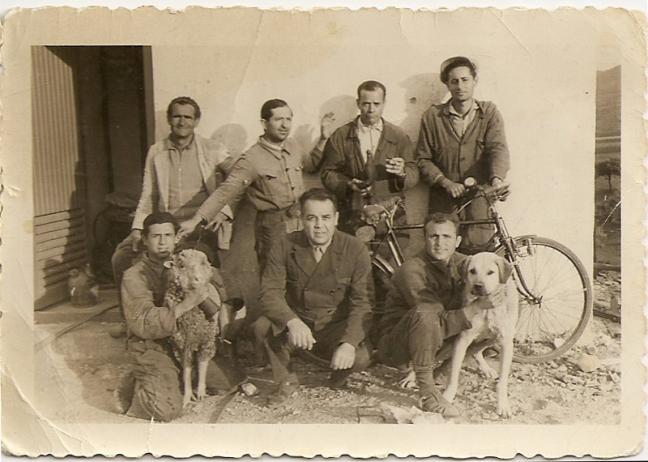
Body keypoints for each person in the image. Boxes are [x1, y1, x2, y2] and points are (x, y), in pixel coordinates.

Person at [118, 212, 246, 422]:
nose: (162, 242)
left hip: (186, 342)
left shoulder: (186, 261)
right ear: (144, 240)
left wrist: (223, 303)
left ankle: (173, 377)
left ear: (176, 237)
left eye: (168, 235)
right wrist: (187, 304)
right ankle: (135, 383)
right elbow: (142, 322)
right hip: (154, 344)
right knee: (166, 409)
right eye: (155, 236)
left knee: (227, 382)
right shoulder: (134, 276)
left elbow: (219, 281)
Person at [179, 99, 334, 271]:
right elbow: (225, 191)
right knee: (274, 275)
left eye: (288, 119)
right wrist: (196, 220)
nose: (285, 125)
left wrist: (323, 138)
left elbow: (311, 165)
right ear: (264, 123)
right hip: (272, 228)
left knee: (304, 272)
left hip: (300, 221)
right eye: (278, 120)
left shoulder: (293, 145)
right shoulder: (251, 159)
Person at [376, 212, 504, 417]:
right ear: (425, 239)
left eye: (446, 237)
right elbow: (433, 320)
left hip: (437, 336)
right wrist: (476, 307)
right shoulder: (412, 269)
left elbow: (497, 280)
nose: (440, 243)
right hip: (401, 346)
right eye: (434, 236)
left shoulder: (465, 264)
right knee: (426, 313)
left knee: (493, 328)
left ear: (457, 241)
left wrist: (498, 293)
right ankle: (428, 393)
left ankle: (439, 371)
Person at [254, 188, 373, 404]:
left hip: (334, 326)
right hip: (299, 323)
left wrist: (348, 343)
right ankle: (286, 380)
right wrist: (292, 321)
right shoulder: (284, 244)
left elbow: (363, 304)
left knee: (361, 356)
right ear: (301, 219)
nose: (319, 226)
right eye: (311, 218)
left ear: (336, 219)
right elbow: (269, 293)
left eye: (325, 218)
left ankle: (338, 375)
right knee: (263, 327)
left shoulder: (355, 249)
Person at [112, 96, 236, 291]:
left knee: (194, 268)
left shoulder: (212, 149)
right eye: (177, 116)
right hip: (165, 226)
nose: (182, 122)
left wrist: (223, 211)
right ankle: (133, 309)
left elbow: (239, 180)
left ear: (196, 121)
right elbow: (148, 194)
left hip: (199, 228)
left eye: (188, 117)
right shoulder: (156, 151)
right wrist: (137, 229)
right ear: (169, 119)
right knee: (121, 257)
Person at [415, 57, 510, 249]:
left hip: (479, 200)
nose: (460, 86)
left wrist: (496, 180)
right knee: (443, 254)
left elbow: (497, 149)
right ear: (447, 85)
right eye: (454, 81)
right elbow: (422, 159)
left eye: (465, 80)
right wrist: (445, 182)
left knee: (481, 253)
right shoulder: (433, 117)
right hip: (444, 203)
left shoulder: (488, 113)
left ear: (475, 81)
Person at [320, 80, 418, 234]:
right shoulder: (341, 135)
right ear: (358, 103)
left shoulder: (398, 136)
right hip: (353, 214)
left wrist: (402, 173)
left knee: (390, 249)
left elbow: (414, 173)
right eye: (366, 104)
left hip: (390, 215)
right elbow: (328, 174)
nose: (371, 109)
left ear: (384, 103)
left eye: (376, 104)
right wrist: (348, 184)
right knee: (353, 249)